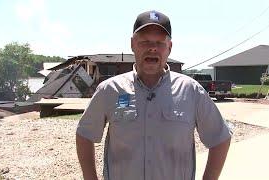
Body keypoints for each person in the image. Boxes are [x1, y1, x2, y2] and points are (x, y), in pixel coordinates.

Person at [76, 10, 232, 180]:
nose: (152, 48)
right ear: (132, 44)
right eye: (145, 41)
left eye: (159, 42)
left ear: (169, 47)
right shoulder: (110, 90)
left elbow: (220, 139)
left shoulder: (191, 91)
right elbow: (85, 134)